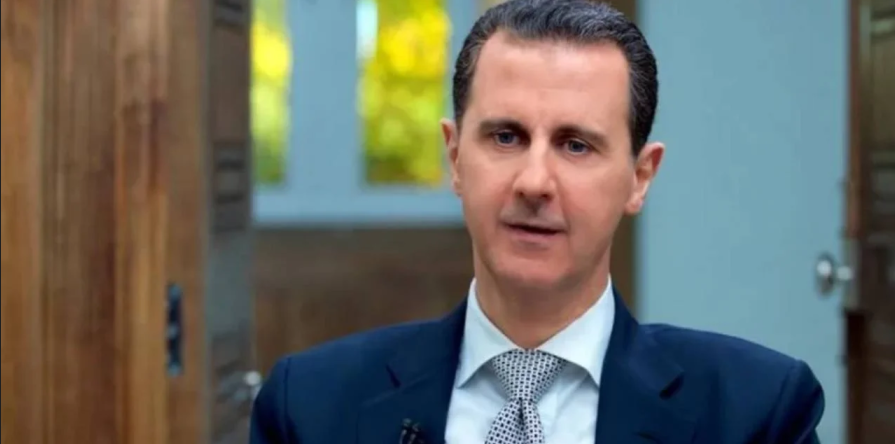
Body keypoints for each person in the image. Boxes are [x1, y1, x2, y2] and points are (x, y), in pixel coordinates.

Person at [249, 0, 825, 443]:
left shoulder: (755, 412)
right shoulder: (310, 407)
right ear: (455, 157)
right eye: (506, 137)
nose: (534, 182)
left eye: (576, 145)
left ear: (639, 177)